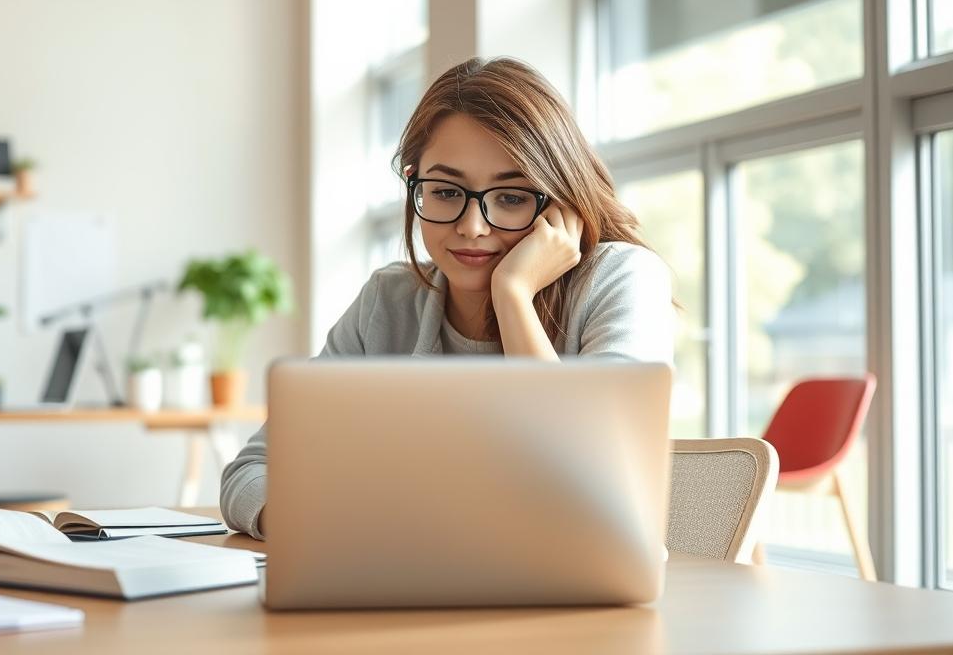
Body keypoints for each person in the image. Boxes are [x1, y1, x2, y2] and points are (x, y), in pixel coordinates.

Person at [220, 57, 675, 539]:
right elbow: (253, 469)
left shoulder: (620, 279)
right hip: (399, 591)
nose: (472, 227)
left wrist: (513, 295)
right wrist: (320, 525)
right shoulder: (388, 302)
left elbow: (600, 485)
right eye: (445, 191)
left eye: (513, 197)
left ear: (559, 200)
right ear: (415, 183)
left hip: (571, 602)